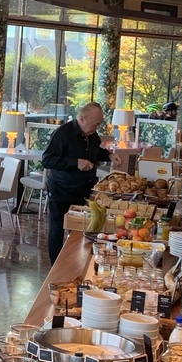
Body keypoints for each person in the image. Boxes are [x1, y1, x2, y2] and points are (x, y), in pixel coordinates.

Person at [41, 102, 111, 264]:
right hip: (61, 190)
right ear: (82, 119)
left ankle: (76, 263)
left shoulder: (92, 135)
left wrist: (109, 156)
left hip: (83, 190)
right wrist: (75, 162)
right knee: (58, 228)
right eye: (95, 124)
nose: (97, 127)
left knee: (79, 229)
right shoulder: (63, 133)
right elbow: (47, 160)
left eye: (99, 124)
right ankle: (56, 266)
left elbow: (96, 153)